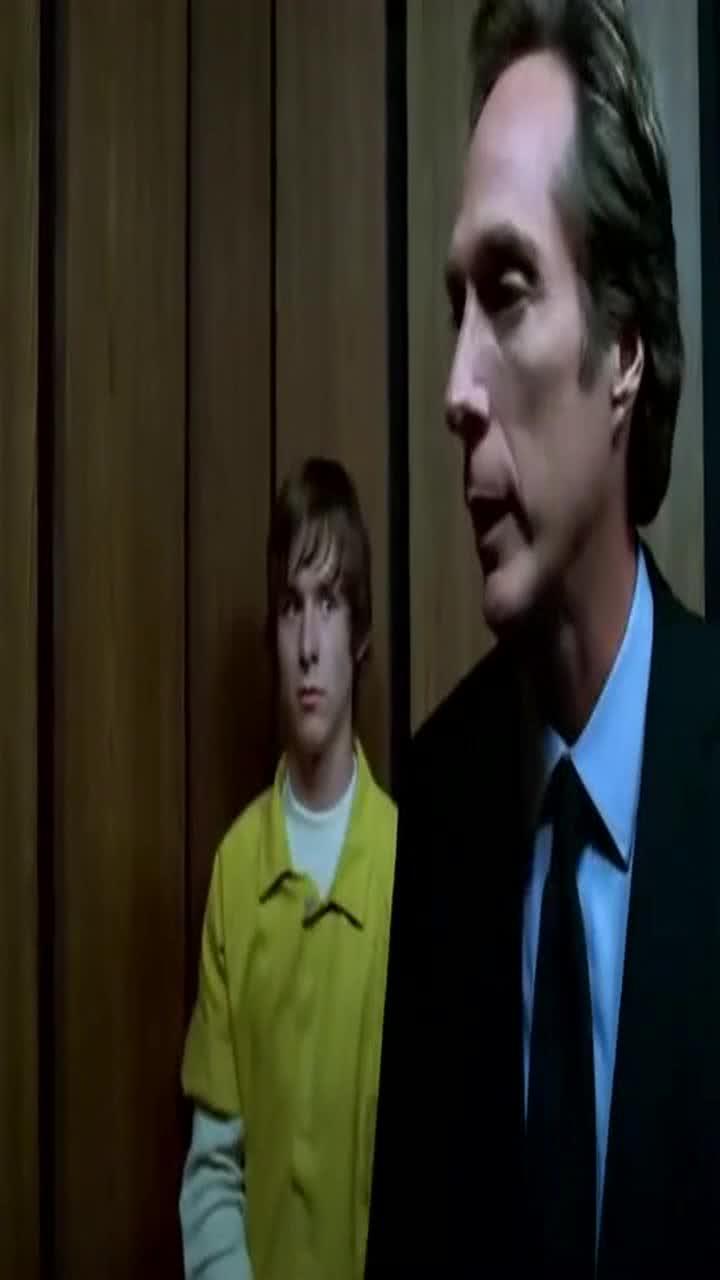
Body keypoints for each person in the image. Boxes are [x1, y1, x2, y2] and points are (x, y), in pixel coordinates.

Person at [366, 2, 720, 1276]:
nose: (456, 390)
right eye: (453, 306)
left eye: (508, 293)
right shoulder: (439, 800)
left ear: (624, 347)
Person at [179, 457, 396, 1278]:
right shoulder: (238, 871)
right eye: (291, 607)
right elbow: (212, 1170)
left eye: (330, 603)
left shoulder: (407, 868)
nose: (308, 646)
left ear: (359, 633)